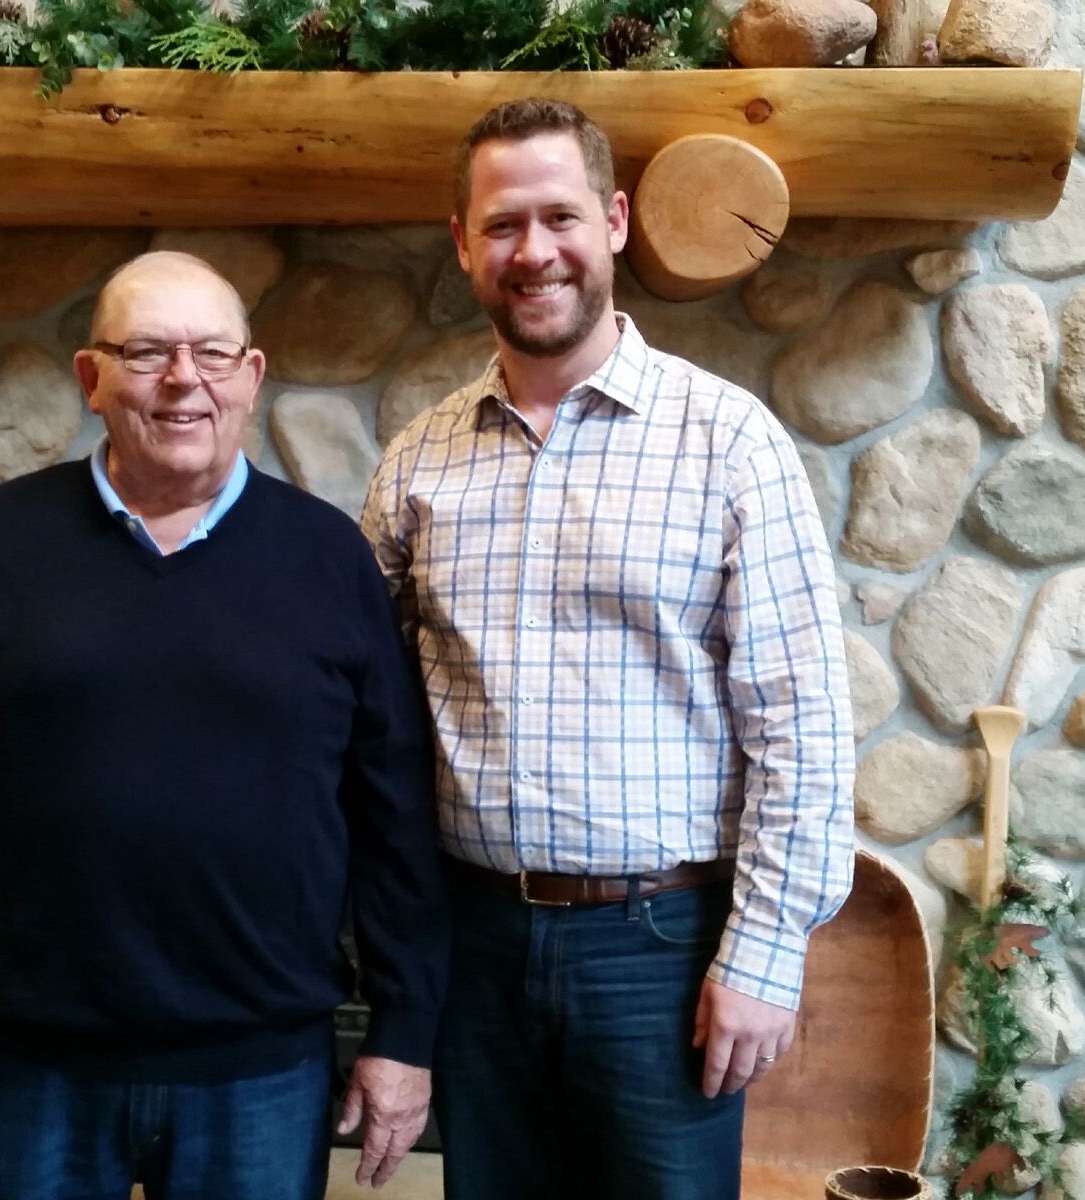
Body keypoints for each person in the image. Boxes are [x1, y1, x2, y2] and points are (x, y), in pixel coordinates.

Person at [0, 250, 449, 1200]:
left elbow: (394, 817)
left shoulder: (328, 558)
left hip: (261, 1070)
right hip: (27, 1062)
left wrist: (404, 1031)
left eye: (213, 353)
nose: (183, 379)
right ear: (91, 378)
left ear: (252, 376)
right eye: (146, 352)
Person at [359, 99, 855, 1200]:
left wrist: (765, 952)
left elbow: (801, 722)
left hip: (661, 948)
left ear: (616, 222)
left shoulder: (729, 442)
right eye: (502, 225)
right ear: (463, 244)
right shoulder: (415, 465)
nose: (533, 251)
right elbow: (363, 721)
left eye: (561, 217)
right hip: (474, 944)